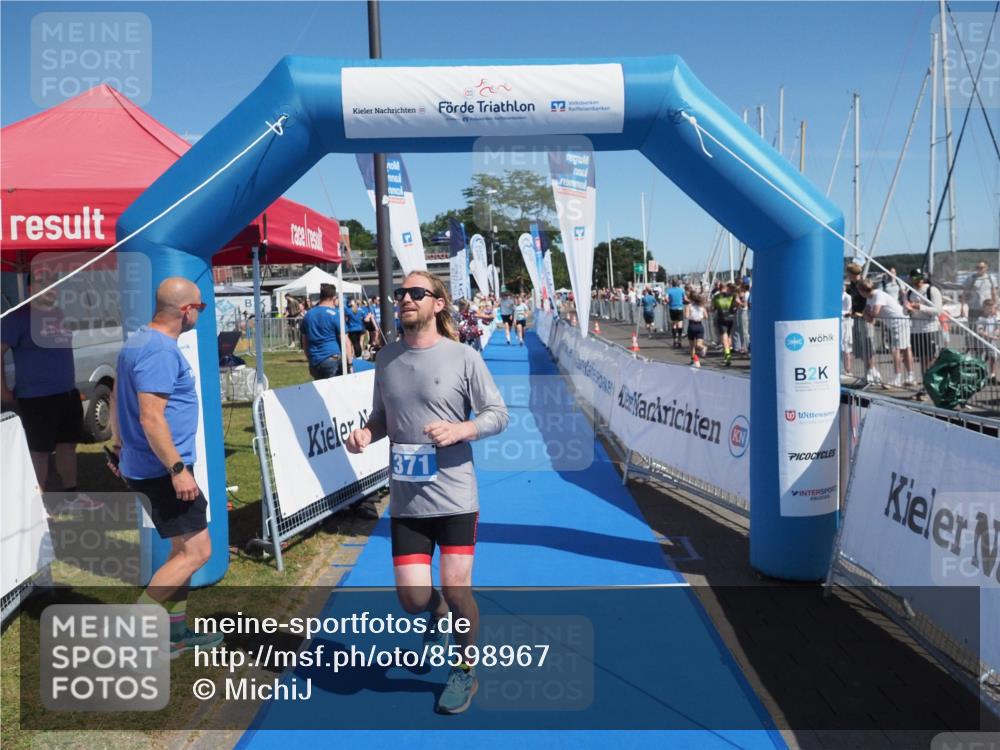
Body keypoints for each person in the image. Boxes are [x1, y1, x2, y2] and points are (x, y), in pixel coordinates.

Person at [345, 271, 509, 715]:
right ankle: (436, 614)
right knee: (414, 599)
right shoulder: (387, 358)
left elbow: (498, 414)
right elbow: (383, 417)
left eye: (416, 293)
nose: (405, 299)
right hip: (407, 500)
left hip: (455, 496)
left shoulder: (462, 357)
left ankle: (464, 669)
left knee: (458, 591)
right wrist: (366, 433)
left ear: (438, 303)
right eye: (400, 293)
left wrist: (462, 429)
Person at [107, 277, 222, 657]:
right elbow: (151, 417)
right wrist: (177, 470)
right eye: (201, 308)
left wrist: (119, 446)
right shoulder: (158, 349)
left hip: (148, 465)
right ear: (187, 310)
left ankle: (173, 635)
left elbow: (117, 399)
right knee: (197, 552)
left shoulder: (139, 341)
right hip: (162, 470)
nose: (200, 315)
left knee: (181, 551)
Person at [1, 270, 103, 514]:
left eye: (52, 284)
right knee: (39, 451)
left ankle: (71, 496)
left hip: (66, 393)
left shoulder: (59, 315)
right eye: (42, 283)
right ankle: (39, 504)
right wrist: (3, 390)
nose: (49, 288)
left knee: (68, 446)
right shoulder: (17, 318)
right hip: (36, 398)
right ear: (29, 289)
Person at [859, 279, 915, 388]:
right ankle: (909, 376)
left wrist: (867, 314)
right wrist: (867, 314)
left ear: (862, 291)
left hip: (899, 322)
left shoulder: (878, 295)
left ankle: (899, 378)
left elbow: (873, 313)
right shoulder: (869, 298)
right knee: (904, 348)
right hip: (894, 323)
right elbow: (870, 317)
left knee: (897, 349)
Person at [902, 268, 943, 391]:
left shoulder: (932, 290)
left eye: (919, 278)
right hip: (916, 330)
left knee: (930, 359)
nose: (918, 281)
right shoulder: (909, 292)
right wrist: (908, 309)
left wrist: (919, 306)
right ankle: (926, 385)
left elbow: (938, 310)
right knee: (922, 360)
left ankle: (931, 385)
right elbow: (904, 311)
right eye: (914, 278)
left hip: (930, 329)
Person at [300, 283, 351, 379]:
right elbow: (345, 342)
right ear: (334, 298)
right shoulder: (335, 314)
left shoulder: (308, 314)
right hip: (332, 359)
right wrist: (350, 364)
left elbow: (304, 342)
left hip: (315, 361)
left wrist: (310, 359)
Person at [846, 263, 877, 384]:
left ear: (852, 273)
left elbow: (869, 300)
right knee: (861, 346)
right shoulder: (852, 285)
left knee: (868, 345)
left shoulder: (862, 284)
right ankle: (869, 371)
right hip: (856, 318)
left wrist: (863, 313)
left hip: (864, 318)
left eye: (848, 273)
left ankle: (872, 371)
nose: (847, 275)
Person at [964, 261, 997, 327]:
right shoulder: (971, 278)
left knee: (986, 329)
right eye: (977, 267)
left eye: (981, 267)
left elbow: (994, 293)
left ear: (986, 268)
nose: (979, 269)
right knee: (972, 330)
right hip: (974, 309)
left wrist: (995, 307)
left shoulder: (991, 278)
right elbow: (965, 292)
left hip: (987, 310)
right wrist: (962, 307)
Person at [712, 282, 737, 366]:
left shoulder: (716, 297)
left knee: (725, 337)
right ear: (726, 288)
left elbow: (712, 308)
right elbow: (737, 304)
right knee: (729, 336)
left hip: (722, 318)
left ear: (719, 288)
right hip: (731, 318)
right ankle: (729, 350)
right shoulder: (732, 296)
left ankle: (727, 354)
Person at [685, 292, 708, 368]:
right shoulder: (702, 307)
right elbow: (706, 316)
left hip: (692, 325)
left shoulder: (689, 306)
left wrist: (690, 313)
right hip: (699, 325)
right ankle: (697, 357)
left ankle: (695, 360)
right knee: (698, 344)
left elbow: (687, 316)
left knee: (692, 346)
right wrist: (700, 316)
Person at [665, 279, 686, 349]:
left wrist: (669, 301)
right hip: (680, 308)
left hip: (672, 308)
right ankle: (680, 340)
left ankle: (674, 340)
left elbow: (666, 299)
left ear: (672, 284)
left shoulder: (669, 290)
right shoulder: (682, 290)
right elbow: (685, 298)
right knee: (680, 324)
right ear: (678, 284)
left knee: (674, 324)